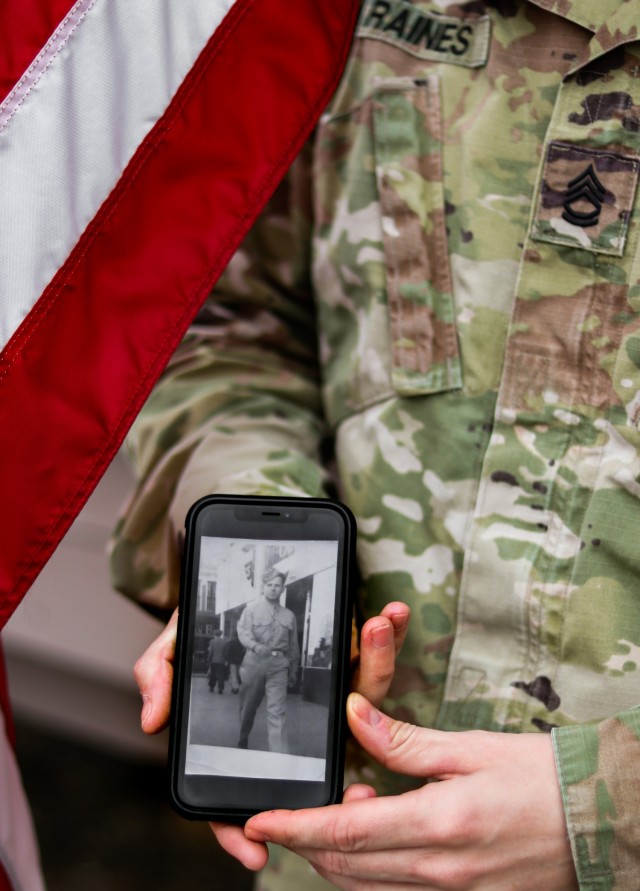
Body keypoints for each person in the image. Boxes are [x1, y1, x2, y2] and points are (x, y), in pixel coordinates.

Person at [114, 1, 640, 888]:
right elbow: (233, 320)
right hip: (334, 843)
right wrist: (258, 523)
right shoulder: (337, 16)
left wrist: (611, 812)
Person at [235, 569, 299, 752]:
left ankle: (277, 756)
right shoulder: (251, 609)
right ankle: (242, 740)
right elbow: (243, 632)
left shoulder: (289, 616)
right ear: (263, 587)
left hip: (279, 666)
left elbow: (293, 645)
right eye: (269, 585)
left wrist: (293, 670)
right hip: (254, 663)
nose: (273, 589)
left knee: (277, 712)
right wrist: (255, 646)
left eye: (277, 585)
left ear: (282, 589)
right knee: (248, 708)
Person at [207, 628, 229, 694]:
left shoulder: (212, 642)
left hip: (213, 660)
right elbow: (226, 652)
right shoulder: (224, 642)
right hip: (222, 661)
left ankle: (211, 687)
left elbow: (211, 651)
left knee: (213, 674)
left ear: (215, 634)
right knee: (221, 675)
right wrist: (226, 659)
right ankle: (220, 688)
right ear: (220, 634)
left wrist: (209, 659)